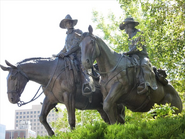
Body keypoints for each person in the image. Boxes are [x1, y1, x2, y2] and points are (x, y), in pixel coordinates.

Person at [53, 14, 92, 95]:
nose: (69, 23)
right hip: (69, 56)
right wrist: (57, 55)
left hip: (79, 55)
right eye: (67, 22)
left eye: (70, 22)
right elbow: (65, 48)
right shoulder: (67, 37)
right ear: (65, 25)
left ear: (73, 23)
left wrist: (66, 53)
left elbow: (76, 44)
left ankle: (87, 83)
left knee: (82, 66)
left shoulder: (77, 31)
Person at [119, 17, 158, 94]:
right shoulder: (129, 37)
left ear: (128, 26)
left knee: (144, 64)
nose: (125, 29)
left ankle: (146, 84)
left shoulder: (139, 33)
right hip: (133, 56)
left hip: (141, 56)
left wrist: (127, 53)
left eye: (125, 27)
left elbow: (137, 48)